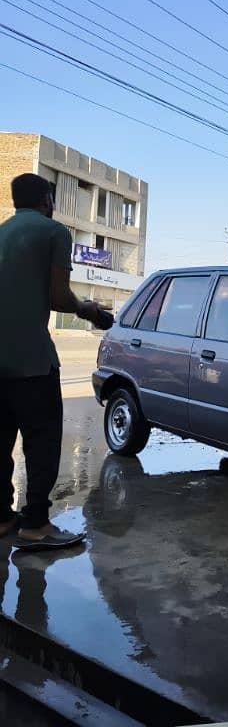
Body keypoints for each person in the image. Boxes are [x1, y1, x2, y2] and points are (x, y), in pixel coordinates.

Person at [0, 173, 113, 550]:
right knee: (42, 442)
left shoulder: (2, 232)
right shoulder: (54, 232)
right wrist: (89, 310)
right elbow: (59, 296)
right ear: (47, 199)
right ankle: (35, 525)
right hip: (32, 360)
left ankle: (2, 518)